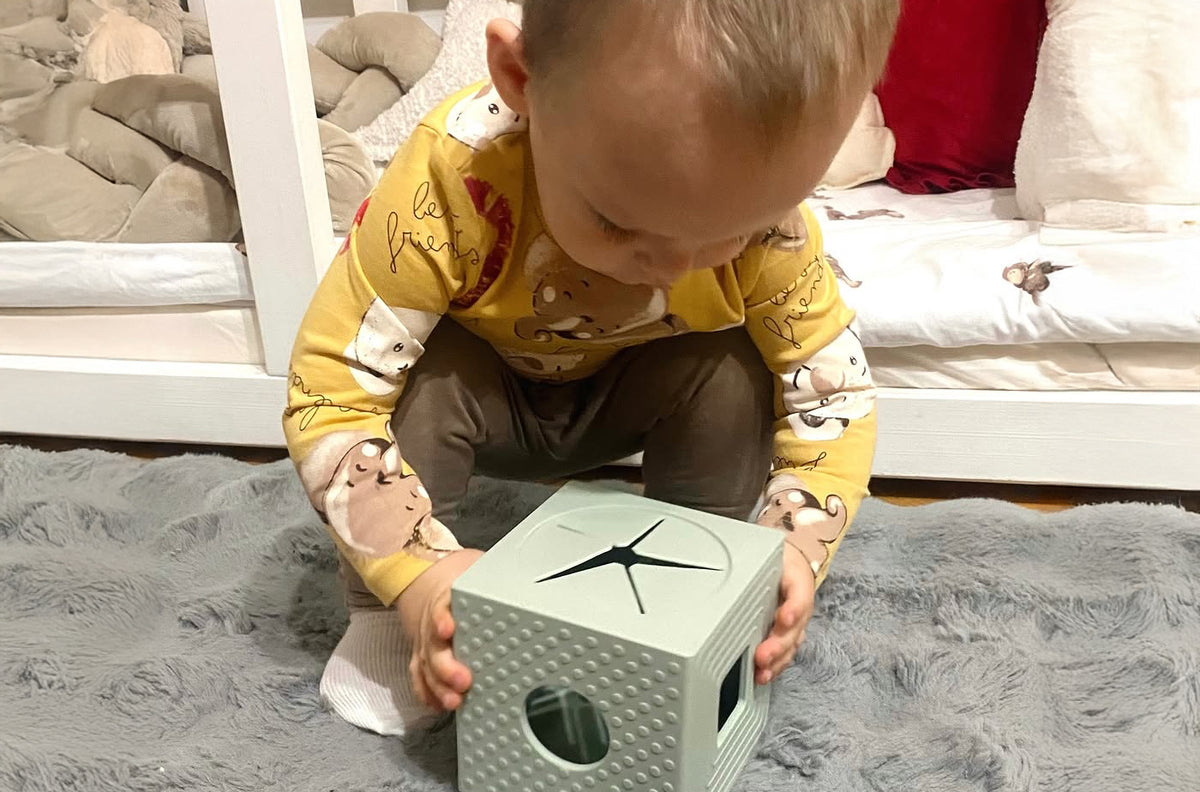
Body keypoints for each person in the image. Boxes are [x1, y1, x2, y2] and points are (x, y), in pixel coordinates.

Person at [285, 0, 897, 735]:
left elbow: (832, 398)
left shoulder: (777, 229)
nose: (673, 268)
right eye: (618, 220)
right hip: (486, 395)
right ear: (520, 80)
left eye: (732, 234)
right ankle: (389, 613)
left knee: (732, 366)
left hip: (632, 394)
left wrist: (792, 547)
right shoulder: (448, 182)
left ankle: (697, 571)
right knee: (417, 371)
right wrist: (413, 578)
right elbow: (331, 395)